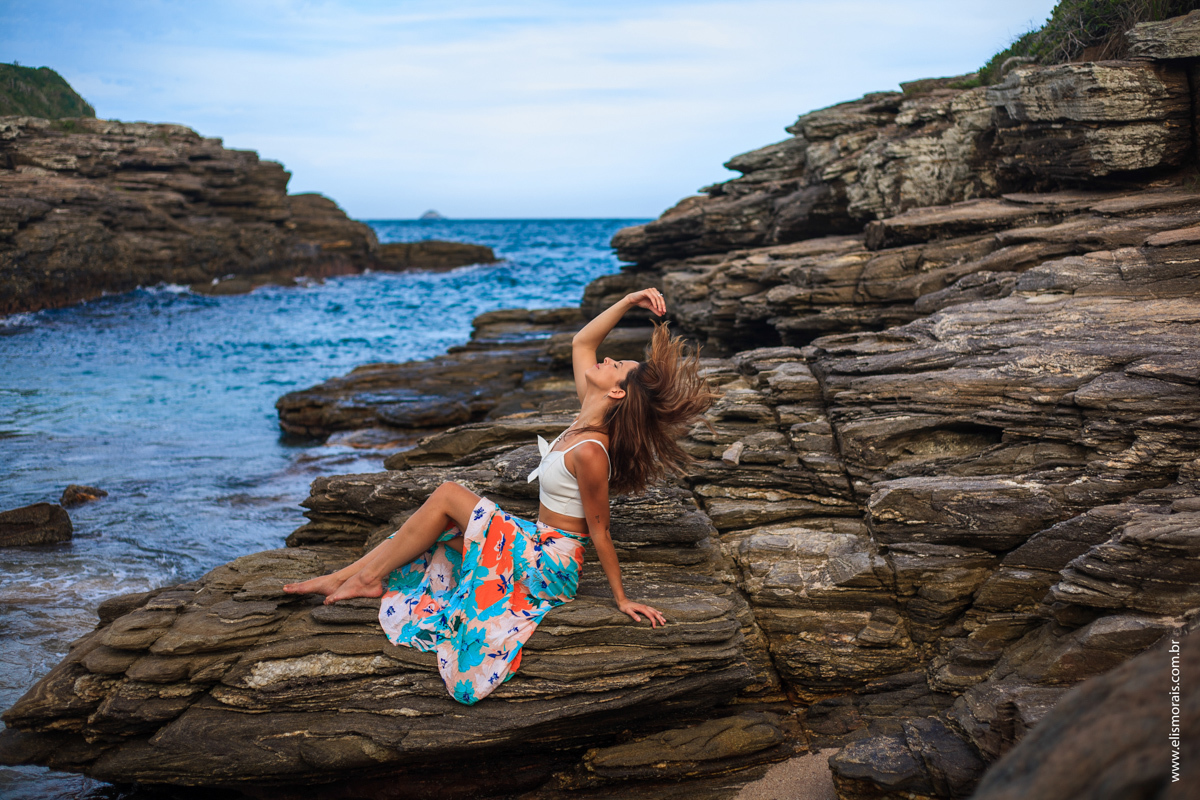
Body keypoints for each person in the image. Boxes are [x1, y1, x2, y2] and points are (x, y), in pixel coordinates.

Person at [283, 288, 717, 704]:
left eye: (615, 364)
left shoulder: (591, 451)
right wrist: (628, 300)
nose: (605, 359)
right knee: (437, 527)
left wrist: (621, 599)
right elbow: (583, 339)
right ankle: (349, 577)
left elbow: (600, 532)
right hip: (534, 540)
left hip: (551, 564)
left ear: (618, 391)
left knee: (449, 496)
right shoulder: (589, 408)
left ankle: (359, 579)